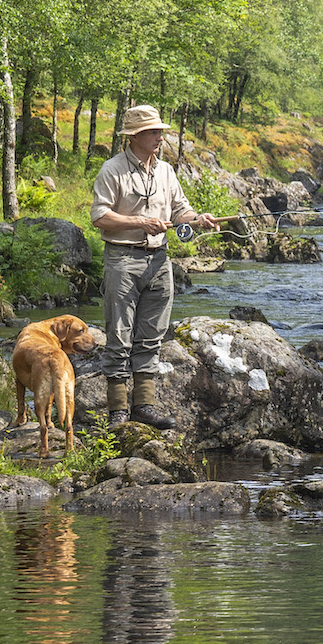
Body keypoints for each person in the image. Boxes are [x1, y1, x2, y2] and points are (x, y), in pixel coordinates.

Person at [89, 105, 219, 427]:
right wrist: (139, 222)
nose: (160, 137)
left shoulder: (165, 171)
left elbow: (181, 211)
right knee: (119, 335)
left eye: (160, 131)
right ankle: (118, 411)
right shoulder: (112, 169)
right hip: (121, 259)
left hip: (160, 261)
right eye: (153, 132)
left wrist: (198, 219)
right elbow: (99, 216)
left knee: (151, 337)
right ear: (135, 136)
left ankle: (144, 407)